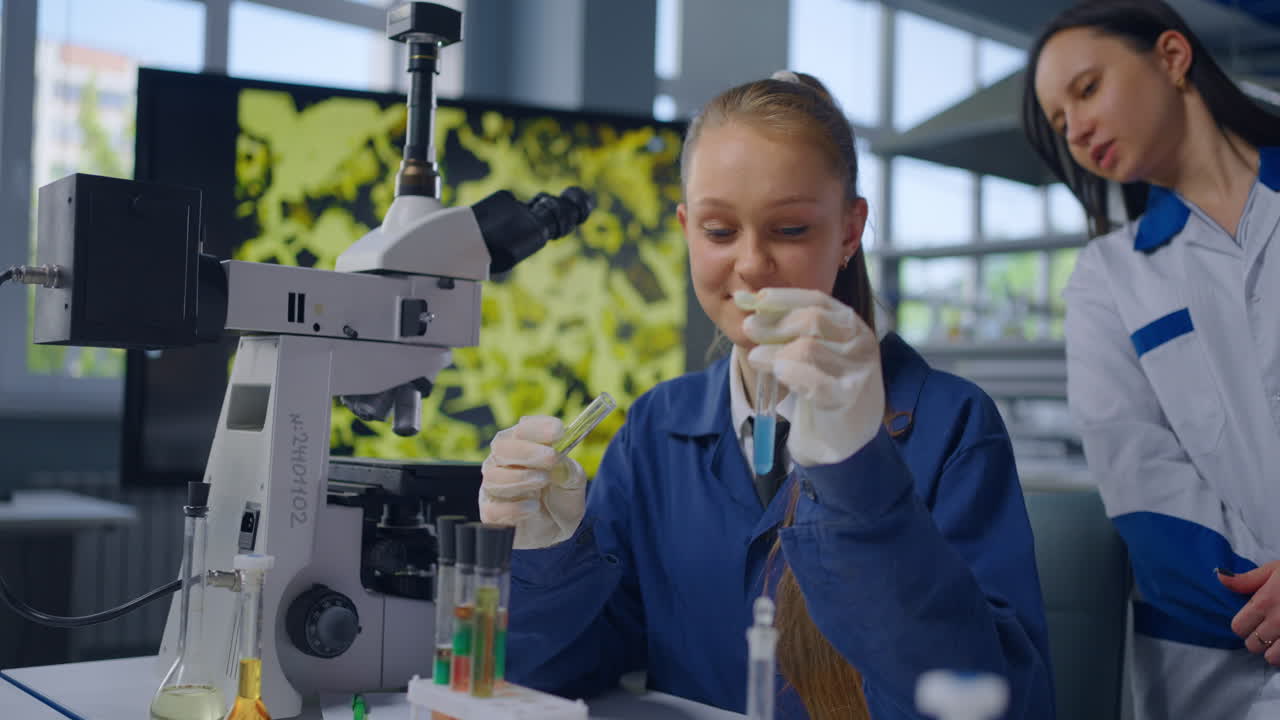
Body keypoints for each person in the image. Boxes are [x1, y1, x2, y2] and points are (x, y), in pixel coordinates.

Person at [480, 71, 1054, 720]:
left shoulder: (952, 425)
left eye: (789, 230)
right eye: (720, 231)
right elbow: (558, 677)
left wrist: (858, 481)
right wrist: (544, 556)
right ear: (685, 226)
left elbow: (998, 707)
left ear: (848, 230)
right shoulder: (656, 429)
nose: (751, 265)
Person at [1023, 1, 1280, 717]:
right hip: (1220, 665)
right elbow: (1141, 480)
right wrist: (1264, 606)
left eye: (1086, 90)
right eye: (1059, 122)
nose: (1075, 129)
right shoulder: (1109, 279)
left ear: (1172, 57)